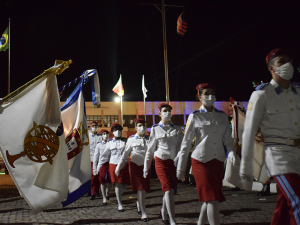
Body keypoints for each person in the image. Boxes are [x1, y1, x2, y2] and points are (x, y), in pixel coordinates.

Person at [240, 48, 300, 225]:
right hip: (278, 154)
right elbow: (249, 131)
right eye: (281, 61)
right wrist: (246, 165)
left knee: (284, 204)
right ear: (271, 68)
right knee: (298, 199)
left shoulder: (298, 92)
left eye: (289, 60)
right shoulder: (261, 94)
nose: (287, 65)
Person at [176, 83, 237, 225]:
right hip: (201, 161)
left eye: (212, 93)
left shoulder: (222, 116)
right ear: (199, 96)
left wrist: (232, 152)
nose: (210, 96)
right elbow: (186, 143)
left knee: (210, 197)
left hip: (218, 161)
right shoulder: (195, 116)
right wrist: (180, 169)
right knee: (212, 199)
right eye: (206, 93)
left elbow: (228, 139)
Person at [144, 103, 183, 225]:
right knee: (169, 189)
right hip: (160, 161)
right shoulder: (155, 129)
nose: (167, 113)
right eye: (164, 111)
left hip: (174, 162)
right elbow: (150, 150)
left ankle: (163, 211)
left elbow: (182, 146)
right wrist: (146, 167)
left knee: (169, 190)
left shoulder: (177, 128)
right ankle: (172, 220)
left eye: (169, 110)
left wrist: (181, 160)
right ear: (159, 113)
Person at [116, 119, 150, 222]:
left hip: (146, 166)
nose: (142, 127)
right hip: (136, 165)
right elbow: (125, 154)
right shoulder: (131, 139)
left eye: (144, 125)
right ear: (135, 127)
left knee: (144, 188)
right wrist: (119, 166)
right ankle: (143, 212)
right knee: (141, 188)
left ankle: (139, 204)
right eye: (139, 125)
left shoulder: (150, 138)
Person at [103, 123, 130, 212]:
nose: (118, 132)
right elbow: (105, 155)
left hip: (123, 164)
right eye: (115, 130)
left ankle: (118, 196)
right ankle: (120, 204)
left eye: (119, 130)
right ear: (112, 132)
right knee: (118, 184)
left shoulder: (125, 141)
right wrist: (100, 164)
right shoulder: (110, 142)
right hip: (113, 164)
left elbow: (128, 153)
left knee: (125, 185)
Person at [93, 129, 113, 205]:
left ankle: (107, 192)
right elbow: (96, 157)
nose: (105, 135)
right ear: (101, 135)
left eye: (107, 134)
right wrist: (95, 168)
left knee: (111, 181)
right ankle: (104, 197)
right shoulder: (99, 145)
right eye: (104, 134)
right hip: (102, 164)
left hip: (110, 163)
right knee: (103, 182)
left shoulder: (111, 143)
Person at [89, 121, 102, 200]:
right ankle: (92, 192)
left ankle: (97, 191)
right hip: (90, 159)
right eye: (93, 125)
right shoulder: (87, 136)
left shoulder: (100, 136)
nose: (94, 127)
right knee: (92, 176)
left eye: (95, 125)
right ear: (90, 126)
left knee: (98, 176)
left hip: (99, 159)